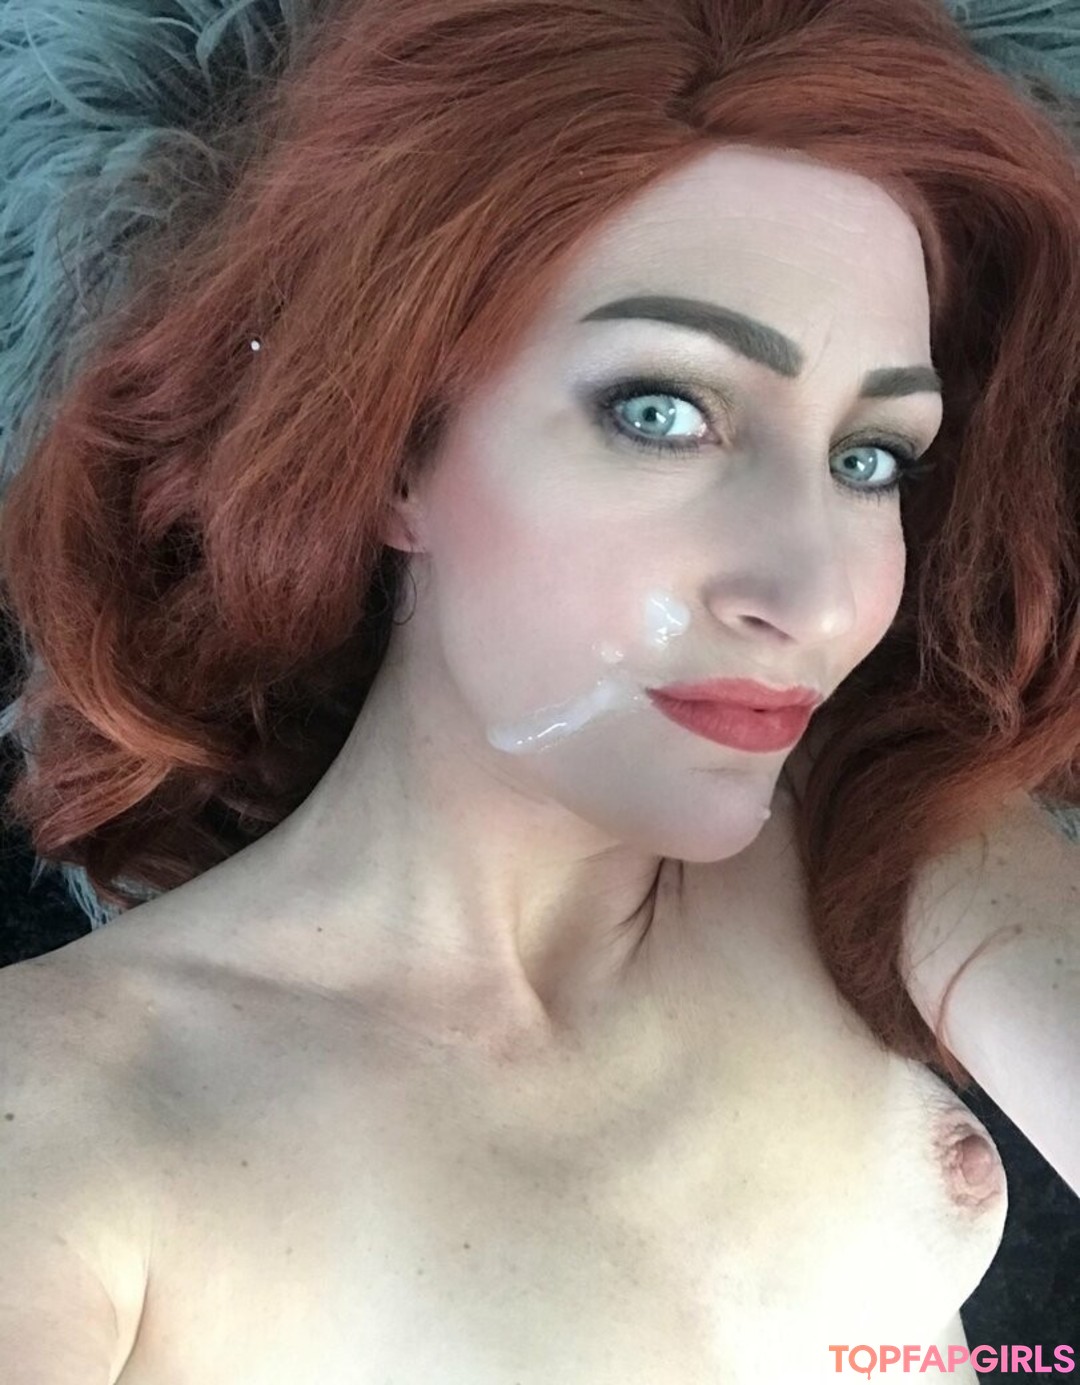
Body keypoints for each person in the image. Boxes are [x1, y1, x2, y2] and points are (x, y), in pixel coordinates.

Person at [0, 1, 1077, 1380]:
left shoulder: (866, 820)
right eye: (662, 412)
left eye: (870, 458)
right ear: (390, 452)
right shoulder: (67, 1119)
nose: (814, 598)